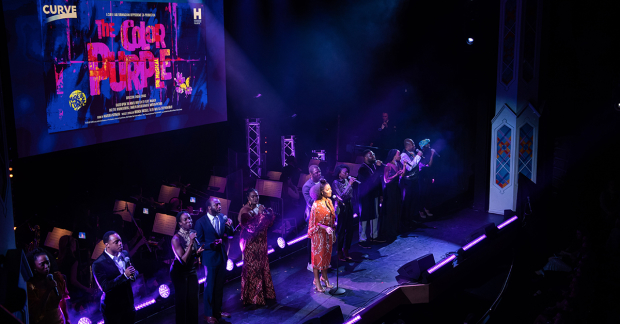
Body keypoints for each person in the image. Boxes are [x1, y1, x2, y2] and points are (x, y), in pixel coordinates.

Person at [194, 197, 234, 324]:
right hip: (210, 257)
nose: (219, 207)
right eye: (216, 205)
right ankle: (208, 314)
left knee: (219, 286)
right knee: (210, 287)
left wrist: (230, 226)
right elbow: (198, 243)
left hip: (221, 256)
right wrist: (211, 244)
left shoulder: (222, 218)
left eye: (220, 204)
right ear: (209, 207)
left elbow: (230, 234)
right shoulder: (201, 222)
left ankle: (217, 311)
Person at [238, 189, 276, 307]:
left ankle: (265, 294)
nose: (256, 198)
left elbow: (269, 224)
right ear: (248, 199)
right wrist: (260, 214)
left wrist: (269, 214)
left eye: (257, 196)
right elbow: (252, 228)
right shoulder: (244, 211)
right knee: (254, 271)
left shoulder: (259, 208)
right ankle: (253, 298)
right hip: (251, 245)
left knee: (263, 268)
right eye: (253, 196)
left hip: (262, 244)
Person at [92, 231, 138, 324]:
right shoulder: (98, 264)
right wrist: (124, 276)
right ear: (107, 245)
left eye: (120, 241)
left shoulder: (125, 254)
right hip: (112, 308)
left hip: (128, 304)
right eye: (116, 242)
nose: (120, 243)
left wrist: (134, 274)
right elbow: (105, 287)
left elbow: (134, 270)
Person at [170, 212, 205, 324]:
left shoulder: (192, 232)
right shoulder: (176, 238)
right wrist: (191, 242)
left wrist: (197, 253)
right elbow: (183, 260)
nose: (189, 220)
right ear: (180, 223)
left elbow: (192, 255)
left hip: (191, 269)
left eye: (189, 218)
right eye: (185, 219)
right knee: (182, 303)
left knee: (193, 300)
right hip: (179, 272)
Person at [26, 248, 70, 324]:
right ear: (34, 267)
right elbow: (36, 311)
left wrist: (67, 319)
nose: (46, 266)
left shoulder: (57, 278)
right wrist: (48, 290)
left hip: (59, 320)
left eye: (48, 262)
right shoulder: (31, 286)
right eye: (42, 264)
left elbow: (62, 300)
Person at [308, 180, 337, 293]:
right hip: (318, 235)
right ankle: (317, 281)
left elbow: (332, 219)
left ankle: (324, 278)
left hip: (328, 234)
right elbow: (316, 223)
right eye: (327, 189)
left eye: (330, 189)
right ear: (321, 192)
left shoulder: (329, 201)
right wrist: (325, 228)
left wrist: (333, 233)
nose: (330, 191)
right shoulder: (316, 204)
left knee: (326, 257)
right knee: (317, 259)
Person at [357, 150, 384, 248]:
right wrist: (378, 168)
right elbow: (371, 181)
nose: (373, 156)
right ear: (365, 157)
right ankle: (362, 239)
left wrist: (381, 194)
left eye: (373, 154)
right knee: (364, 217)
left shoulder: (373, 166)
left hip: (374, 195)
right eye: (370, 155)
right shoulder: (363, 169)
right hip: (365, 196)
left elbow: (378, 181)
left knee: (376, 215)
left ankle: (374, 236)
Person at [332, 165, 357, 261]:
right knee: (341, 230)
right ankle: (339, 252)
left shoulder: (347, 180)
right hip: (341, 207)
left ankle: (346, 249)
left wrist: (350, 184)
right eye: (345, 172)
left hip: (349, 205)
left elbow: (350, 194)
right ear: (339, 173)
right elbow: (341, 196)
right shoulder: (335, 182)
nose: (347, 174)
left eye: (347, 172)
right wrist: (349, 185)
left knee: (350, 230)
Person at [302, 165, 322, 270]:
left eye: (319, 172)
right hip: (313, 216)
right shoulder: (306, 186)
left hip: (323, 214)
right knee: (312, 239)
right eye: (316, 173)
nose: (319, 174)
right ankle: (310, 263)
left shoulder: (323, 181)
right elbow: (310, 201)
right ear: (311, 174)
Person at [382, 149, 405, 241]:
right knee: (391, 210)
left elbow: (402, 175)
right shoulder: (388, 165)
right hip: (390, 190)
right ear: (393, 156)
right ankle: (389, 230)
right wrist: (396, 175)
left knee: (397, 208)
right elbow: (386, 180)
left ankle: (396, 228)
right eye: (398, 154)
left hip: (396, 189)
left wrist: (405, 165)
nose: (400, 156)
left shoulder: (398, 164)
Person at [400, 139, 424, 226]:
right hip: (407, 182)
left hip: (414, 180)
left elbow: (415, 165)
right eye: (412, 144)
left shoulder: (412, 153)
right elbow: (409, 168)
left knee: (414, 200)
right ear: (407, 147)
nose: (414, 145)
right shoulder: (403, 155)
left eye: (413, 144)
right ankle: (405, 221)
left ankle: (412, 219)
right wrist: (418, 156)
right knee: (407, 201)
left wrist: (422, 166)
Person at [418, 139, 437, 218]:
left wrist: (432, 176)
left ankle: (426, 208)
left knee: (428, 193)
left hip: (428, 176)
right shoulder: (422, 153)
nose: (429, 145)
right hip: (422, 176)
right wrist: (432, 154)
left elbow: (432, 167)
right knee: (423, 193)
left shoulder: (428, 152)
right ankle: (421, 210)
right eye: (427, 144)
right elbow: (429, 164)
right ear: (424, 146)